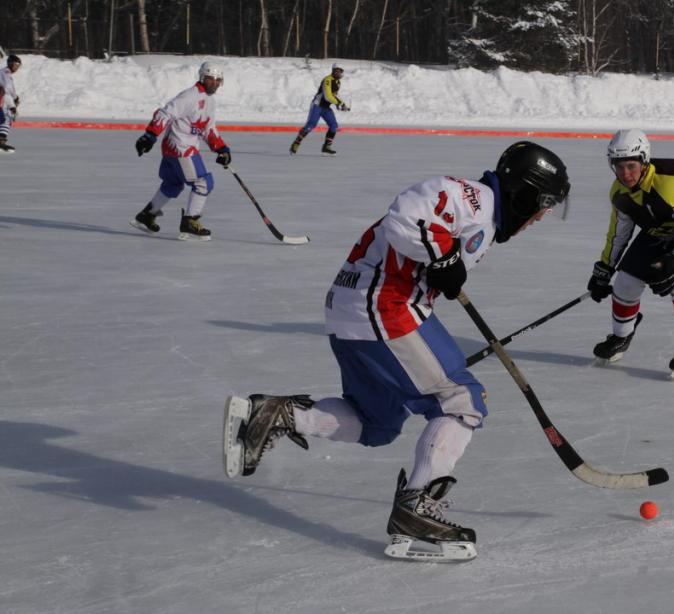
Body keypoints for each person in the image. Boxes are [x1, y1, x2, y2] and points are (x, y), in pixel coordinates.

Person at [223, 141, 571, 561]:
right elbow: (406, 215)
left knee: (378, 423)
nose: (542, 215)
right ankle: (416, 507)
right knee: (463, 399)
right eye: (544, 203)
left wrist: (442, 267)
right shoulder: (473, 197)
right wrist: (443, 258)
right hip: (382, 305)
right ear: (524, 192)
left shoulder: (486, 219)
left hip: (358, 307)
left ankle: (277, 415)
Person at [586, 129, 674, 380]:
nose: (625, 174)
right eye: (618, 166)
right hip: (667, 226)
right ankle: (621, 336)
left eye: (631, 166)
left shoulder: (670, 184)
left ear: (644, 161)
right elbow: (619, 234)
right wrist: (605, 268)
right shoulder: (619, 192)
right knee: (626, 279)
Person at [130, 61, 231, 240]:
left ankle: (147, 215)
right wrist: (150, 135)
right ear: (202, 77)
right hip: (180, 148)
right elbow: (165, 113)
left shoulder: (210, 101)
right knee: (203, 182)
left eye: (217, 80)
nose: (214, 83)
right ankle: (190, 220)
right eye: (210, 79)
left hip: (178, 149)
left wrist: (221, 148)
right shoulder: (190, 96)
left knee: (173, 184)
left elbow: (208, 129)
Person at [289, 63, 350, 156]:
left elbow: (334, 95)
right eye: (337, 71)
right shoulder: (327, 80)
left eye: (340, 71)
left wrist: (341, 104)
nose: (338, 73)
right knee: (310, 126)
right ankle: (296, 143)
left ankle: (326, 147)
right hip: (317, 106)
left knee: (334, 126)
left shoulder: (338, 82)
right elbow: (328, 96)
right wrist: (339, 103)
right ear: (333, 71)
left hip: (326, 108)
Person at [0, 54, 22, 153]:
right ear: (11, 64)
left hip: (4, 99)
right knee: (6, 119)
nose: (17, 68)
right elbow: (7, 89)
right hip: (3, 100)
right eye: (17, 65)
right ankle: (1, 142)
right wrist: (14, 101)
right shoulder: (5, 73)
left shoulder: (4, 73)